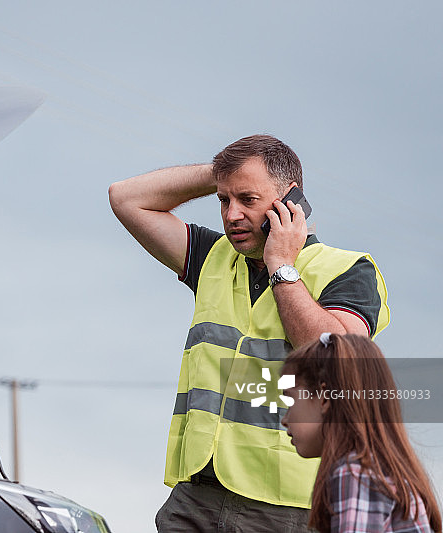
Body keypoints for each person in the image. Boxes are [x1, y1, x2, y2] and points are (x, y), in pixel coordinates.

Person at [108, 134, 390, 532]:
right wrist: (223, 172)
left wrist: (281, 265)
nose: (232, 214)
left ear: (289, 199)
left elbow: (334, 358)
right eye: (224, 200)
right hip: (196, 495)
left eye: (247, 199)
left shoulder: (347, 270)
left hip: (286, 507)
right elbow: (125, 197)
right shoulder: (214, 256)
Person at [281, 333, 441, 532]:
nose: (285, 420)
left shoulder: (355, 472)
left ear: (324, 398)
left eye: (290, 402)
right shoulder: (372, 468)